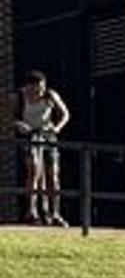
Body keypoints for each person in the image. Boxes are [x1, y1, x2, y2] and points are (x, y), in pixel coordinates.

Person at [15, 70, 70, 226]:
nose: (38, 92)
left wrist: (57, 127)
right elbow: (12, 118)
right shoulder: (20, 96)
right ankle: (32, 212)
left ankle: (55, 213)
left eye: (41, 88)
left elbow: (65, 113)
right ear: (28, 87)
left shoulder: (50, 95)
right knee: (34, 172)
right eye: (35, 89)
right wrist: (19, 125)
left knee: (53, 175)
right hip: (29, 136)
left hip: (48, 135)